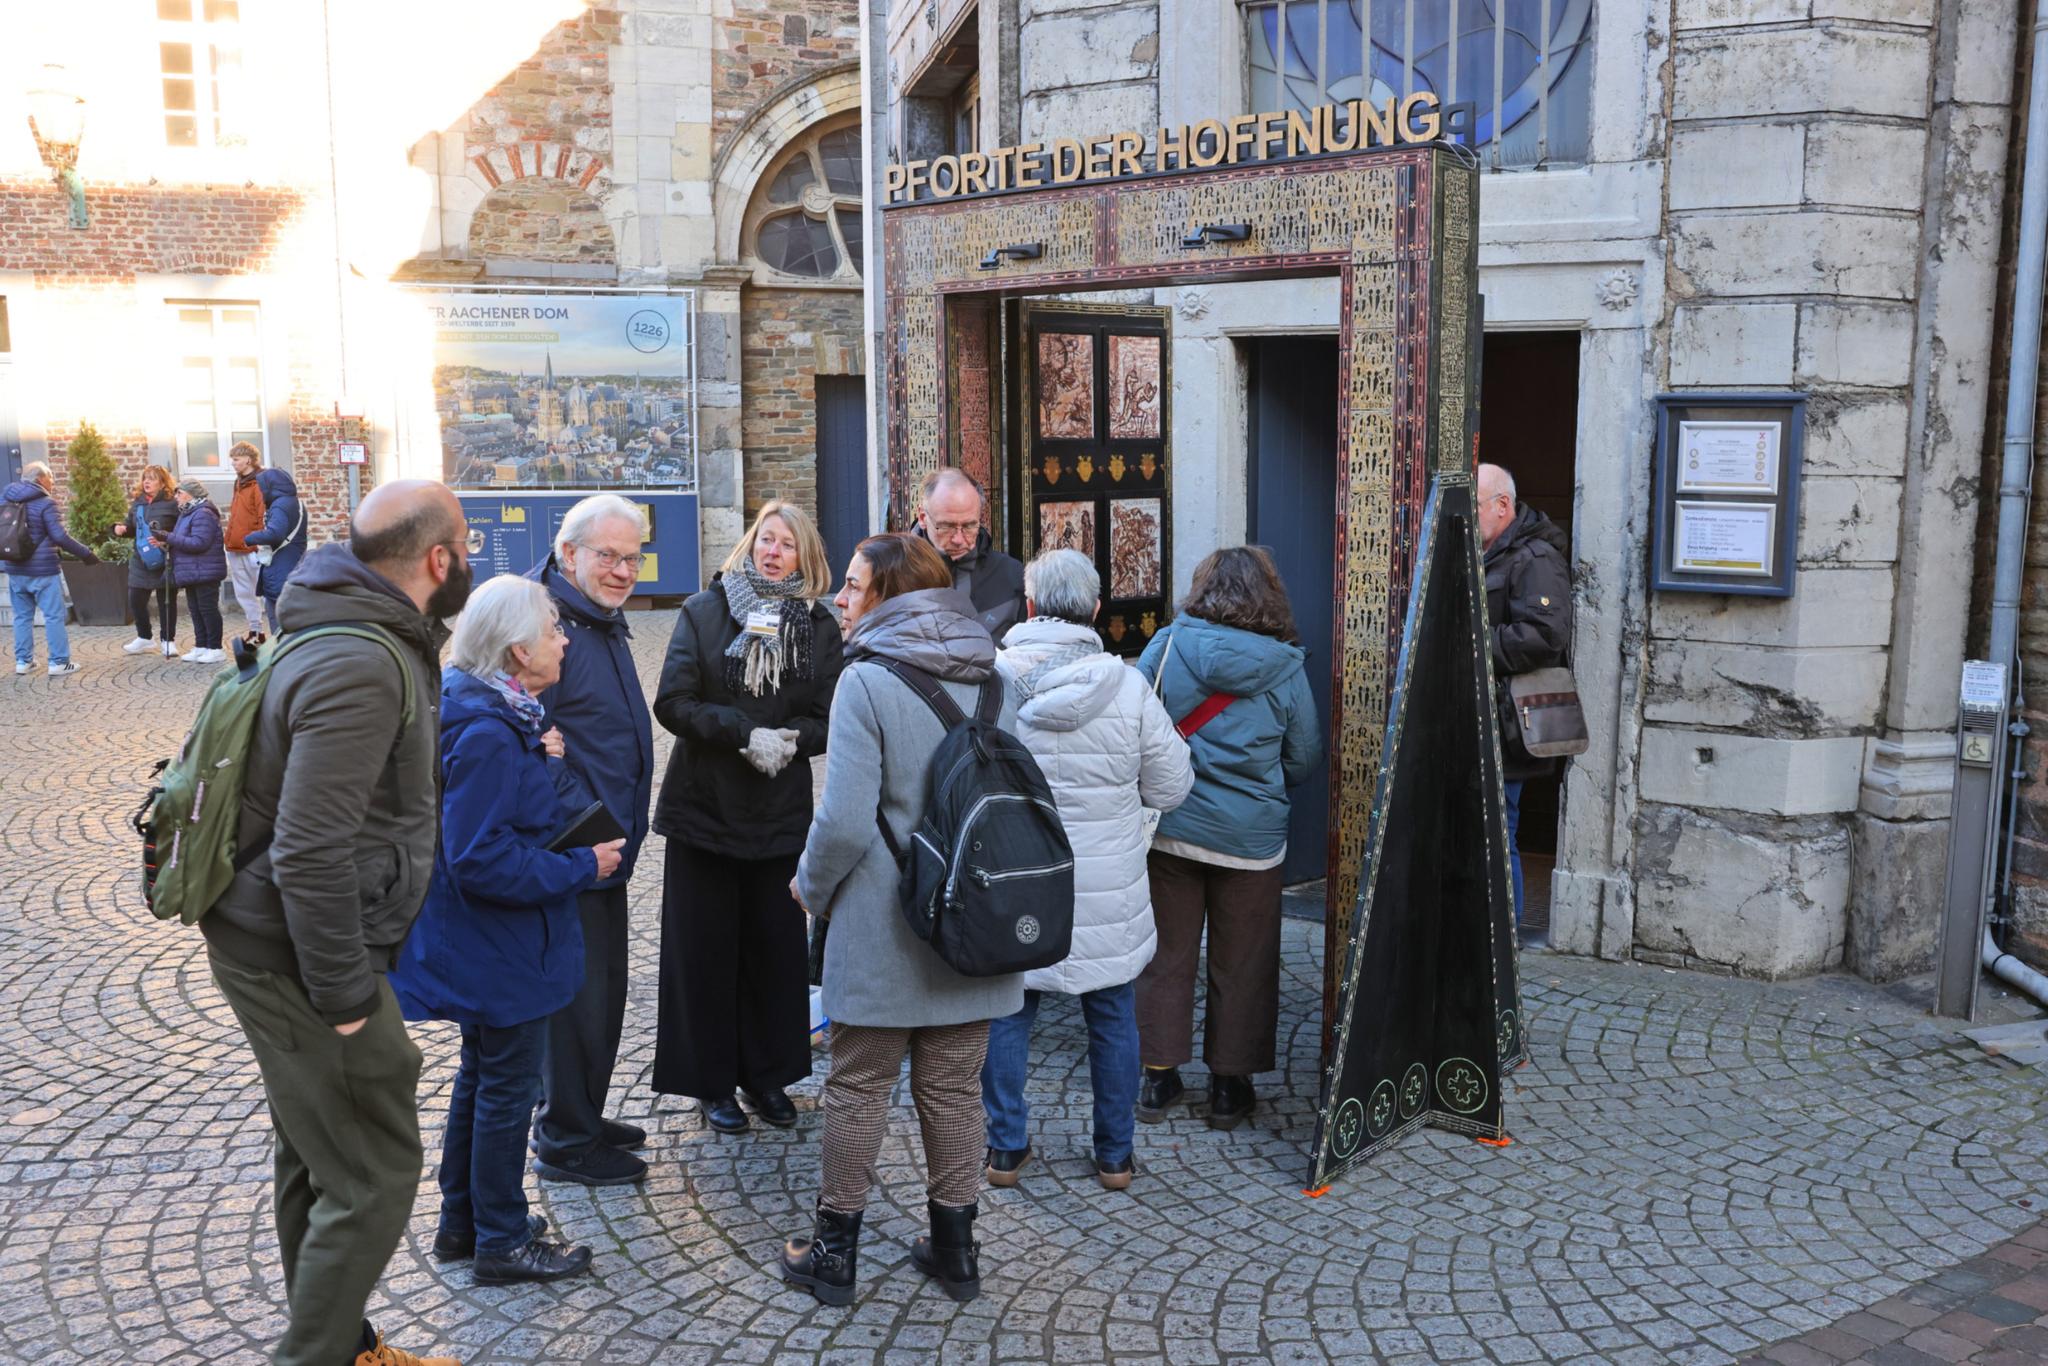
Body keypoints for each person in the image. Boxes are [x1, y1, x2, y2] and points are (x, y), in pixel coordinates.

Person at [199, 479, 471, 1366]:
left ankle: (345, 1346)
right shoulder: (361, 661)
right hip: (297, 952)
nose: (468, 563)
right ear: (439, 560)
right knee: (374, 1173)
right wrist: (348, 997)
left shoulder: (347, 626)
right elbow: (311, 853)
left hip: (278, 938)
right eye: (464, 548)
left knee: (316, 1151)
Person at [780, 532, 1022, 1307]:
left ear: (889, 596)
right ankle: (957, 1253)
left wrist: (809, 888)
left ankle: (832, 1253)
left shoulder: (868, 682)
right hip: (973, 924)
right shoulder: (997, 680)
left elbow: (847, 821)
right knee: (955, 1091)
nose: (840, 600)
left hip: (885, 925)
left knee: (858, 1087)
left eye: (852, 586)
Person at [390, 574, 620, 1286]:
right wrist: (583, 865)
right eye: (553, 629)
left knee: (484, 1079)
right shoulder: (490, 731)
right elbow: (481, 858)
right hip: (501, 947)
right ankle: (501, 1238)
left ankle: (466, 1223)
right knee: (505, 1091)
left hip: (488, 946)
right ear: (519, 652)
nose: (563, 639)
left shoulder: (491, 713)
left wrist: (539, 759)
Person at [983, 549, 1192, 1192]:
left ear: (1028, 606)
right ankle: (1114, 1157)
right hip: (1107, 888)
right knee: (1112, 1014)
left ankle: (1006, 1150)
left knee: (1009, 1011)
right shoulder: (1127, 687)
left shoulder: (990, 682)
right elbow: (1171, 786)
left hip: (1018, 879)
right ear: (1097, 610)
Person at [651, 501, 842, 1135]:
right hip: (704, 811)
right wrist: (741, 734)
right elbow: (673, 700)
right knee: (704, 954)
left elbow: (826, 715)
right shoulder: (704, 612)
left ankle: (767, 1076)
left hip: (777, 816)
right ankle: (712, 1084)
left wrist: (791, 738)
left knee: (773, 952)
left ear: (804, 557)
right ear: (749, 545)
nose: (773, 551)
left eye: (787, 544)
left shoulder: (818, 628)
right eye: (766, 539)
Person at [1133, 546, 1321, 1132]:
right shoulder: (1286, 668)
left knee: (1163, 954)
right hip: (1252, 840)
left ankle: (1159, 1076)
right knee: (1245, 962)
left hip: (1172, 827)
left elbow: (1136, 727)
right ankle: (1228, 1087)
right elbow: (1304, 757)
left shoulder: (1165, 646)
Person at [526, 495, 657, 1188]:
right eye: (607, 556)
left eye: (631, 557)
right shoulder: (546, 625)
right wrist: (595, 839)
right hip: (577, 852)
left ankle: (579, 1110)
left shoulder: (594, 617)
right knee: (578, 999)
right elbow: (532, 750)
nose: (621, 570)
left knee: (601, 993)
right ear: (568, 553)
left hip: (603, 850)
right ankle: (566, 1141)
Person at [1476, 462, 1572, 925]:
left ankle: (1501, 946)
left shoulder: (1534, 557)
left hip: (1509, 722)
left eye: (1471, 507)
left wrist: (1472, 645)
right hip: (1480, 717)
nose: (1463, 518)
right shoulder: (1485, 551)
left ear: (1502, 506)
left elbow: (1544, 635)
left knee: (1498, 831)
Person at [3, 460, 99, 676]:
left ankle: (23, 661)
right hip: (43, 570)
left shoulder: (5, 497)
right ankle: (59, 662)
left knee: (21, 617)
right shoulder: (46, 502)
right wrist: (86, 553)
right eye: (50, 477)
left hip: (15, 568)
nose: (53, 481)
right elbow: (59, 536)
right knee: (54, 616)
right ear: (40, 479)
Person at [914, 467, 1025, 644]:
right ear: (922, 518)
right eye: (947, 526)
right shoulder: (893, 573)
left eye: (969, 526)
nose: (958, 539)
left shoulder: (1012, 575)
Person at [113, 464, 180, 659]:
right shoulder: (138, 503)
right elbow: (132, 527)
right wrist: (120, 529)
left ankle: (168, 641)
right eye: (145, 478)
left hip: (164, 557)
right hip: (140, 558)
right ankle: (144, 637)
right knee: (135, 599)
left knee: (166, 602)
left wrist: (165, 538)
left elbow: (180, 530)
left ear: (162, 482)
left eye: (152, 478)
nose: (147, 482)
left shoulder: (172, 504)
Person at [161, 478, 229, 663]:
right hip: (192, 571)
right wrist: (165, 540)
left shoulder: (203, 513)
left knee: (207, 610)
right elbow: (181, 539)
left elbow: (199, 543)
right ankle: (201, 646)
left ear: (190, 494)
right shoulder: (187, 513)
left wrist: (170, 537)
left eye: (179, 493)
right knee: (196, 610)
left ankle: (215, 648)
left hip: (205, 571)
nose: (176, 497)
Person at [241, 466, 309, 640]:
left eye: (261, 486)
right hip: (292, 565)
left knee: (280, 626)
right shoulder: (295, 502)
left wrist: (250, 537)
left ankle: (283, 658)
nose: (260, 491)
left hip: (281, 569)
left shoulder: (280, 505)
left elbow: (275, 533)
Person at [224, 441, 269, 632]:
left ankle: (277, 630)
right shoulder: (239, 483)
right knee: (244, 593)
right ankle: (255, 630)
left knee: (266, 592)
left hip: (254, 548)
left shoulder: (260, 483)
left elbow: (262, 515)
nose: (233, 463)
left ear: (248, 460)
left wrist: (260, 543)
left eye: (236, 459)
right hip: (236, 546)